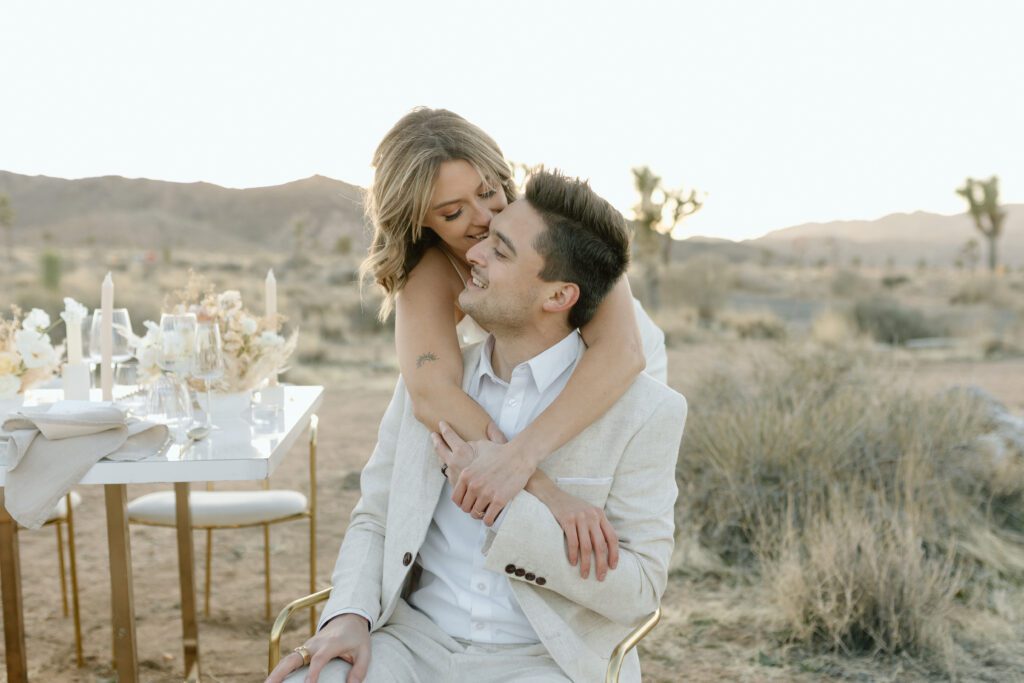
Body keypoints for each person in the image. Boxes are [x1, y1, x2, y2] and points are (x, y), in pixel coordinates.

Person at [268, 170, 686, 683]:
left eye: (501, 251)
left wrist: (509, 510)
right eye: (483, 239)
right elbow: (376, 515)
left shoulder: (645, 413)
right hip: (412, 645)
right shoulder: (431, 385)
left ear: (558, 296)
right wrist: (349, 614)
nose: (473, 254)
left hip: (543, 661)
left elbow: (640, 589)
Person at [358, 108, 667, 575]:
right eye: (453, 211)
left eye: (488, 192)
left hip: (614, 371)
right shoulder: (430, 274)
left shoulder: (553, 229)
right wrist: (538, 484)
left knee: (607, 519)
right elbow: (431, 393)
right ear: (420, 221)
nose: (483, 218)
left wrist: (520, 459)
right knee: (542, 513)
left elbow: (623, 353)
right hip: (529, 378)